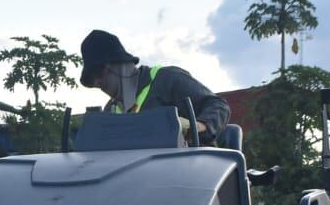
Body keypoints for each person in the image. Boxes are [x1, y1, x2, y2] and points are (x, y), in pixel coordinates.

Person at [79, 30, 230, 143]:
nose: (97, 82)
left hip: (190, 173)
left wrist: (199, 127)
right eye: (92, 79)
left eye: (98, 73)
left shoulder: (166, 80)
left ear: (117, 64)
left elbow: (218, 105)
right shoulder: (110, 111)